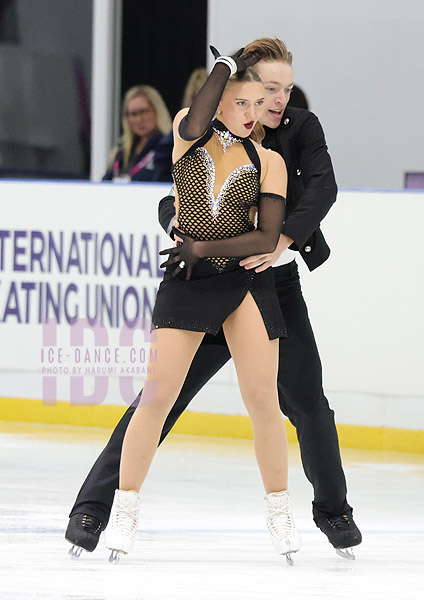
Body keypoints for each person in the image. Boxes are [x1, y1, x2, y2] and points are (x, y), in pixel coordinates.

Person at [66, 38, 362, 560]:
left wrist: (281, 243)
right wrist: (181, 229)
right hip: (200, 278)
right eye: (267, 89)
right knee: (158, 398)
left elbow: (321, 190)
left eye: (284, 90)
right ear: (235, 91)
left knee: (305, 403)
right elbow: (175, 192)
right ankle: (95, 509)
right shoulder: (206, 129)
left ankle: (331, 513)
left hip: (270, 284)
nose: (275, 100)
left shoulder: (296, 132)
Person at [92, 46, 301, 563]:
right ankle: (125, 506)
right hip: (187, 281)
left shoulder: (269, 160)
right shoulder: (191, 135)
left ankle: (279, 509)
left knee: (262, 400)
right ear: (221, 100)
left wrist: (200, 248)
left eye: (260, 102)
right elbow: (197, 116)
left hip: (240, 279)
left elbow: (264, 238)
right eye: (243, 101)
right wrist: (226, 66)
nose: (254, 113)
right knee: (157, 396)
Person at [102, 85, 172, 182]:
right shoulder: (121, 149)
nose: (139, 119)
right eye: (133, 114)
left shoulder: (168, 148)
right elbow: (105, 183)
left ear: (157, 111)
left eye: (143, 112)